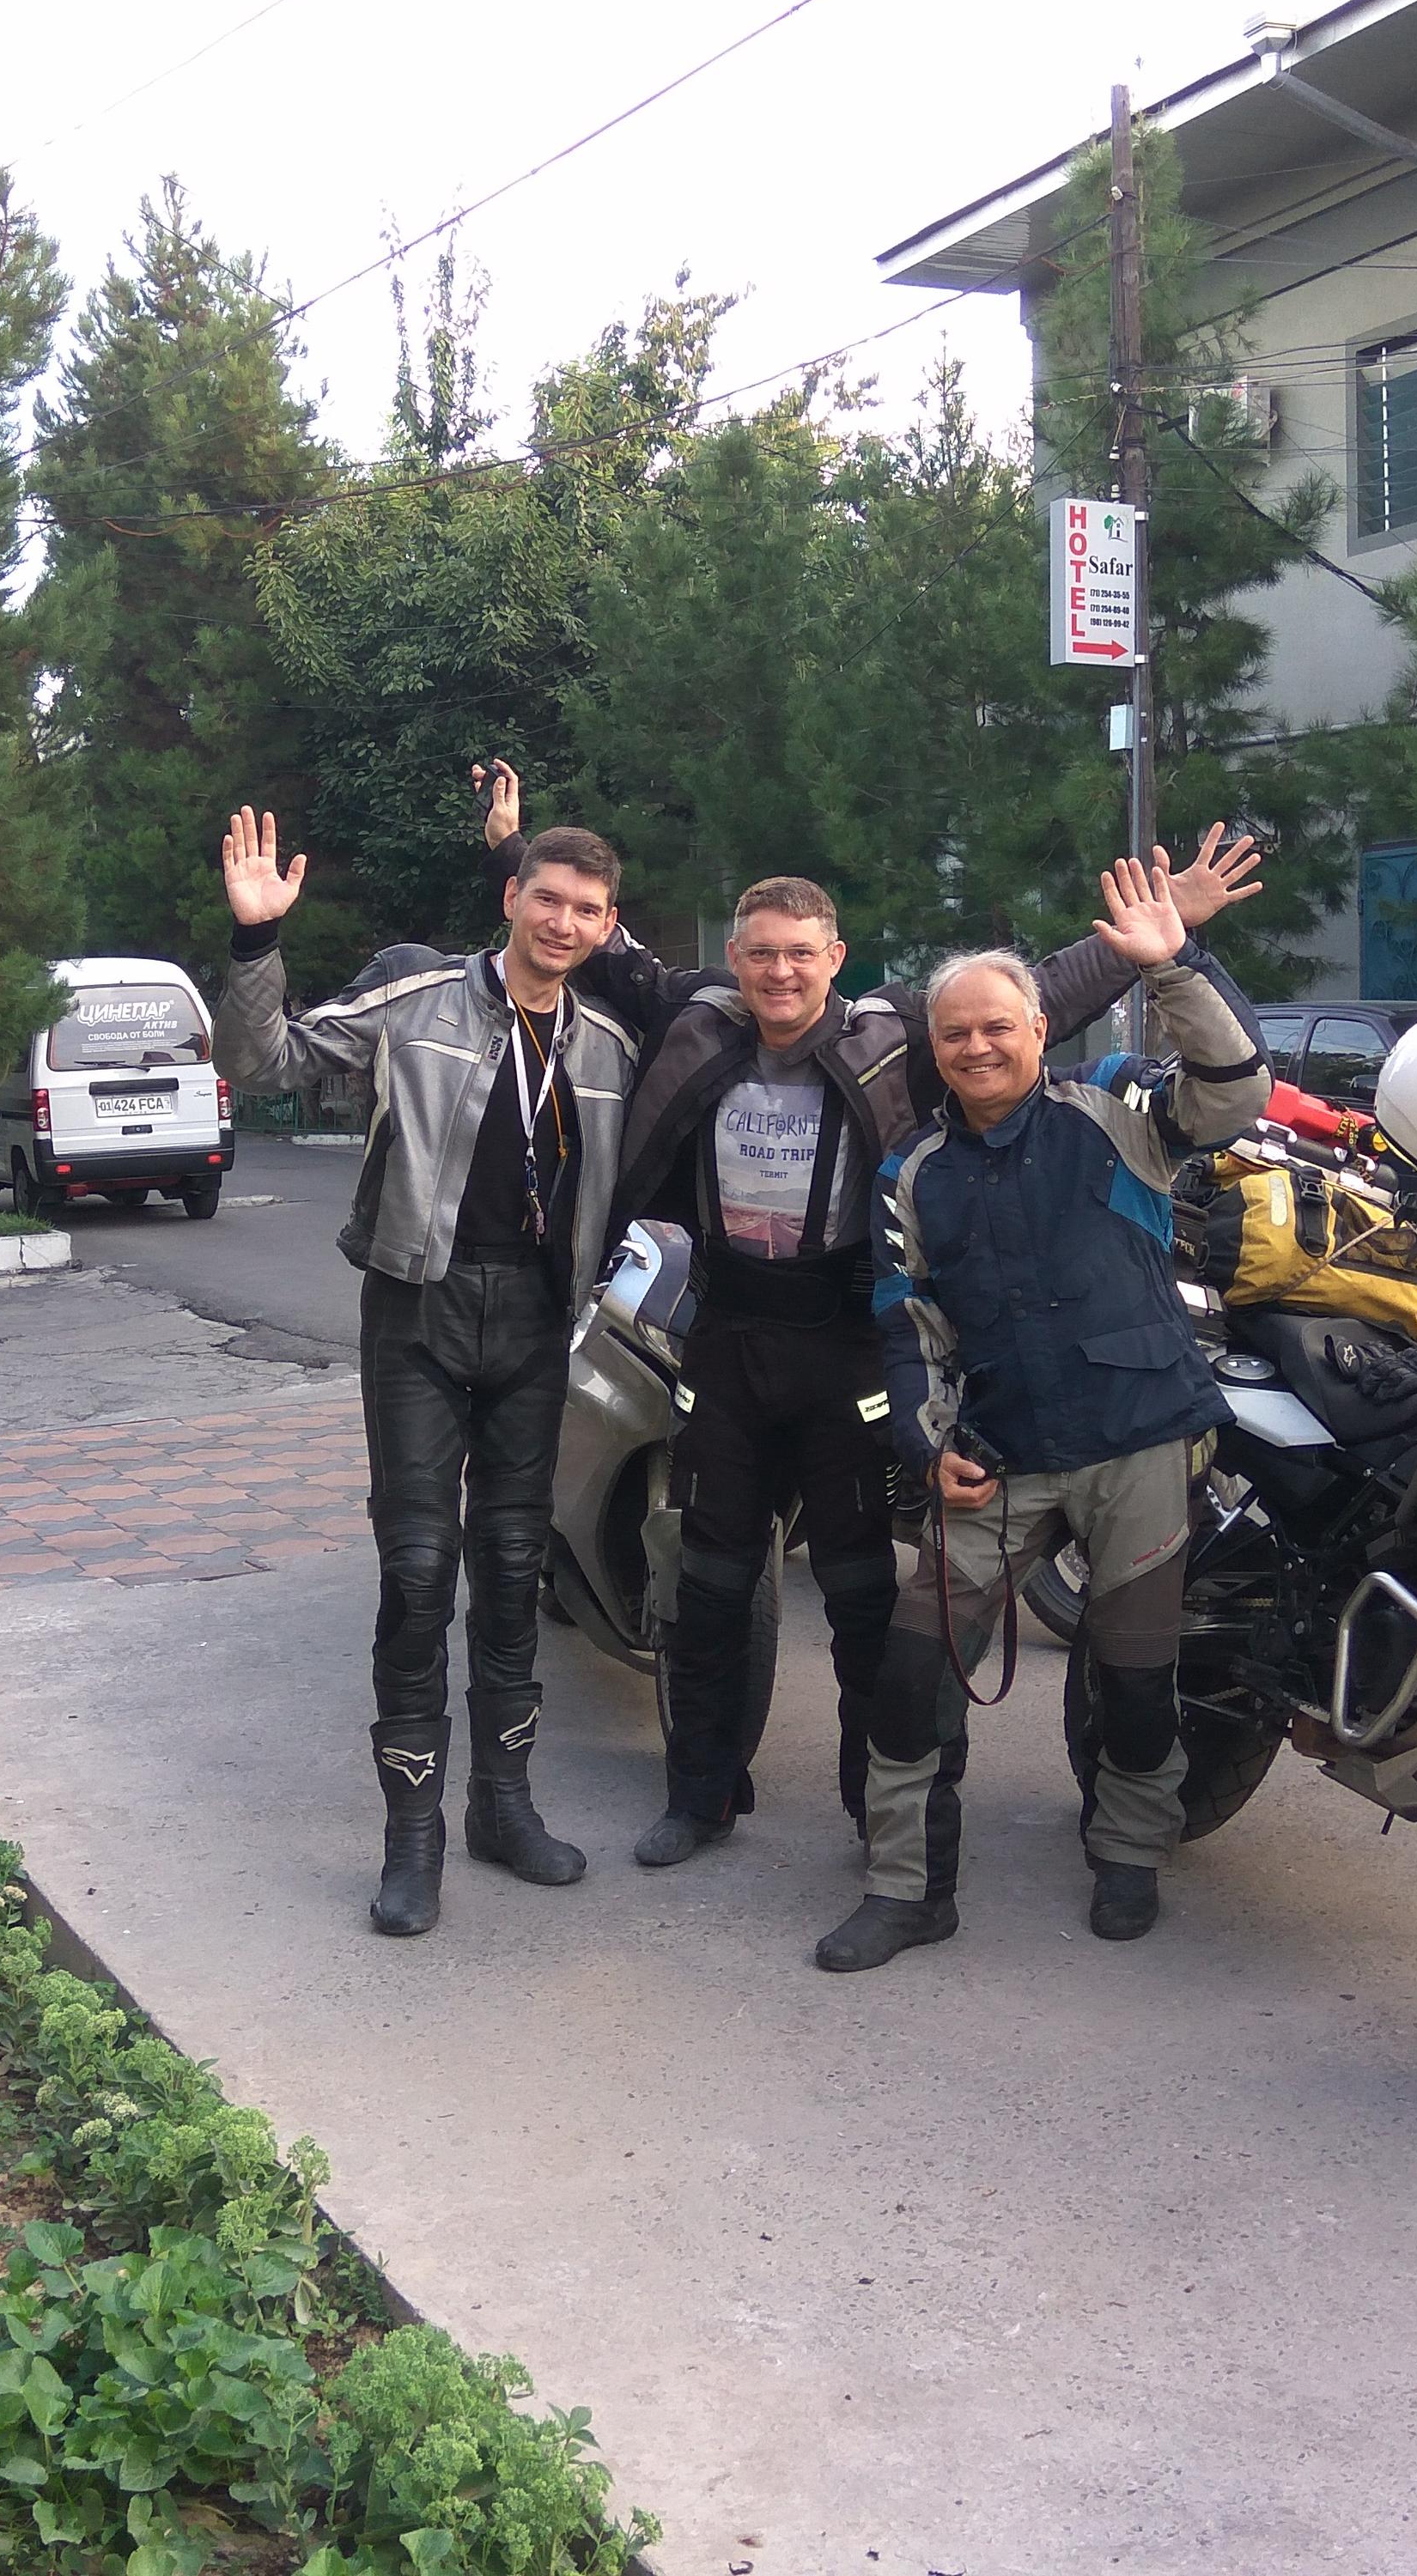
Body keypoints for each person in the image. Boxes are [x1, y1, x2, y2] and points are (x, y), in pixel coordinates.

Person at [464, 775, 1268, 1865]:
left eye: (800, 954)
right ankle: (701, 1794)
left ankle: (870, 1809)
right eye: (760, 955)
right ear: (735, 959)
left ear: (833, 957)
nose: (779, 973)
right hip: (725, 1332)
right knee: (708, 1578)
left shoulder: (894, 1039)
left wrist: (1151, 942)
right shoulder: (693, 1015)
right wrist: (508, 851)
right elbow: (585, 944)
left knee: (857, 1592)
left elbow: (1025, 1003)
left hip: (843, 1341)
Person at [825, 876, 1274, 1972]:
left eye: (997, 1027)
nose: (976, 1047)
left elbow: (1233, 1093)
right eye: (954, 1034)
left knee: (1136, 1675)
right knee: (911, 1673)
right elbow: (906, 1331)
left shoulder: (1113, 1112)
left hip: (1139, 1439)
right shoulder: (910, 1173)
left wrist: (1173, 965)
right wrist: (929, 1447)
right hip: (999, 1454)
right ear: (932, 1049)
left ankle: (1128, 1854)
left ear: (1038, 1029)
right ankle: (906, 1889)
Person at [210, 805, 638, 1939]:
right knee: (415, 1571)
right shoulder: (418, 1002)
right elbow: (260, 1061)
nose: (563, 922)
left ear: (606, 925)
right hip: (418, 1308)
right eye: (547, 899)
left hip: (537, 1324)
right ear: (511, 899)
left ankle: (503, 1806)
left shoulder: (608, 1045)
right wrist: (256, 942)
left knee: (512, 1563)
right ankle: (413, 1838)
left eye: (586, 909)